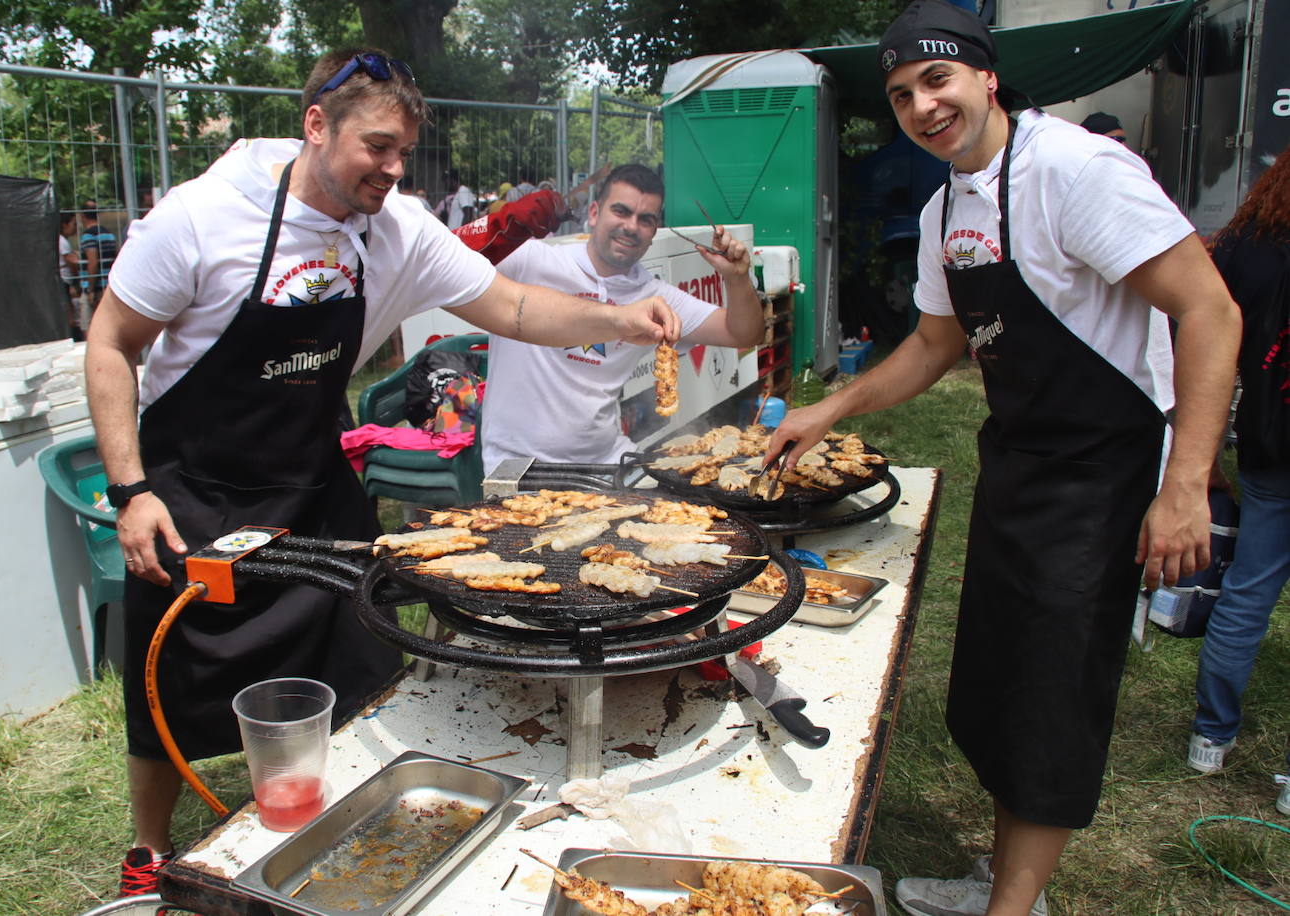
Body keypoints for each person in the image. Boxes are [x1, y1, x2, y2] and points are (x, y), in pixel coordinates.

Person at [85, 46, 679, 899]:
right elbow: (111, 344)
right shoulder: (203, 217)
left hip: (311, 480)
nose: (395, 170)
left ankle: (334, 815)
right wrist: (131, 491)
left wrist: (618, 319)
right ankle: (148, 854)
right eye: (378, 148)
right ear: (316, 125)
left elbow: (507, 304)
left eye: (405, 151)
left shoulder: (395, 229)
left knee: (362, 658)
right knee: (170, 683)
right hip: (195, 486)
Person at [766, 3, 1240, 914]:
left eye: (936, 79)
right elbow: (934, 345)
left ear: (986, 76)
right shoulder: (948, 206)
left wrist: (1184, 484)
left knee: (1053, 698)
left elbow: (1210, 312)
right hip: (1019, 465)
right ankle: (1004, 881)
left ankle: (1012, 910)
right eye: (902, 93)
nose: (922, 105)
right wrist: (832, 405)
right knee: (1000, 683)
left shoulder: (1077, 170)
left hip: (1101, 476)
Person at [480, 163, 764, 469]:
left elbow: (743, 334)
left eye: (645, 220)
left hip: (607, 460)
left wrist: (737, 278)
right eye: (621, 211)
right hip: (515, 463)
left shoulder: (655, 297)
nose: (631, 226)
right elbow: (442, 262)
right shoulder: (531, 261)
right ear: (593, 213)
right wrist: (496, 227)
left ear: (654, 232)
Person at [1186, 146, 1290, 785]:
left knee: (1248, 589)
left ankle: (1211, 736)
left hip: (1268, 445)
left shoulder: (1246, 243)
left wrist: (1204, 451)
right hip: (1268, 448)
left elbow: (1201, 344)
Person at [79, 202, 118, 311]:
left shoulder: (88, 236)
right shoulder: (109, 234)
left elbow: (93, 262)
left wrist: (90, 289)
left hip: (97, 288)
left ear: (82, 216)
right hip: (109, 285)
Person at [58, 211, 84, 340]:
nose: (76, 227)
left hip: (65, 280)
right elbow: (71, 262)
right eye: (74, 224)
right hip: (65, 280)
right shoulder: (62, 241)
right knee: (70, 314)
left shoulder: (62, 241)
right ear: (65, 224)